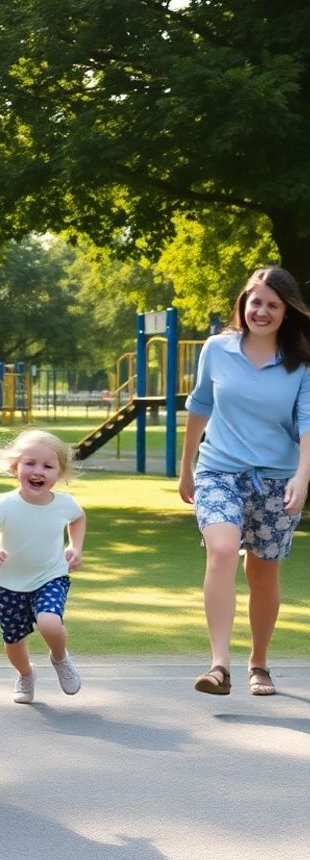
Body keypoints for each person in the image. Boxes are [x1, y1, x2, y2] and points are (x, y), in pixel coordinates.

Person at [178, 265, 310, 697]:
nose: (263, 311)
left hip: (276, 480)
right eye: (256, 302)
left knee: (263, 574)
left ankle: (259, 662)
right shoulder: (217, 348)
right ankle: (219, 666)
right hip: (219, 471)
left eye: (273, 305)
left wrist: (302, 477)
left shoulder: (301, 364)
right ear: (244, 303)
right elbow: (199, 405)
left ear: (286, 312)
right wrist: (186, 468)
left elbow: (307, 424)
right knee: (221, 550)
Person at [0, 429, 86, 704]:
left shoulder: (64, 504)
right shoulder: (6, 504)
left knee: (50, 623)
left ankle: (59, 658)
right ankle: (26, 674)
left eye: (48, 466)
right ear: (15, 467)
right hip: (10, 584)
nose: (38, 471)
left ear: (59, 473)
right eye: (30, 464)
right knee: (13, 643)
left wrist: (75, 547)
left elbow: (79, 518)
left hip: (51, 576)